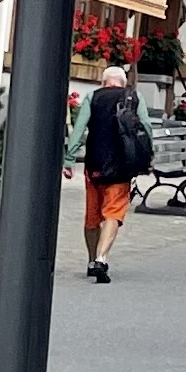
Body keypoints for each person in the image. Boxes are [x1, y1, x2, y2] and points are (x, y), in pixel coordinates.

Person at [80, 69, 143, 282]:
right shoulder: (133, 97)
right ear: (123, 83)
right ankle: (101, 258)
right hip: (122, 165)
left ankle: (91, 260)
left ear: (103, 81)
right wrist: (146, 159)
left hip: (94, 164)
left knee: (92, 216)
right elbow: (145, 129)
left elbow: (79, 128)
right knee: (113, 213)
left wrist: (69, 159)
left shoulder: (93, 96)